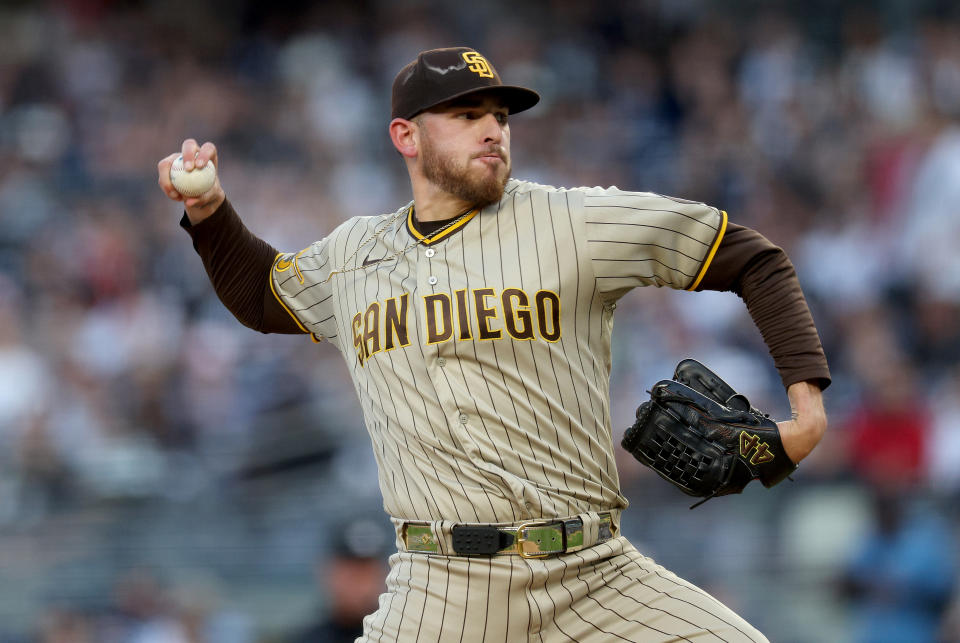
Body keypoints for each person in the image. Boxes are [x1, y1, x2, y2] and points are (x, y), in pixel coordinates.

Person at [158, 46, 829, 642]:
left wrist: (807, 413)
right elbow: (260, 295)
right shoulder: (353, 255)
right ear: (406, 135)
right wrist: (210, 212)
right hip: (439, 589)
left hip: (595, 575)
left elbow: (751, 257)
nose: (493, 130)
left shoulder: (573, 221)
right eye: (467, 113)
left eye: (501, 117)